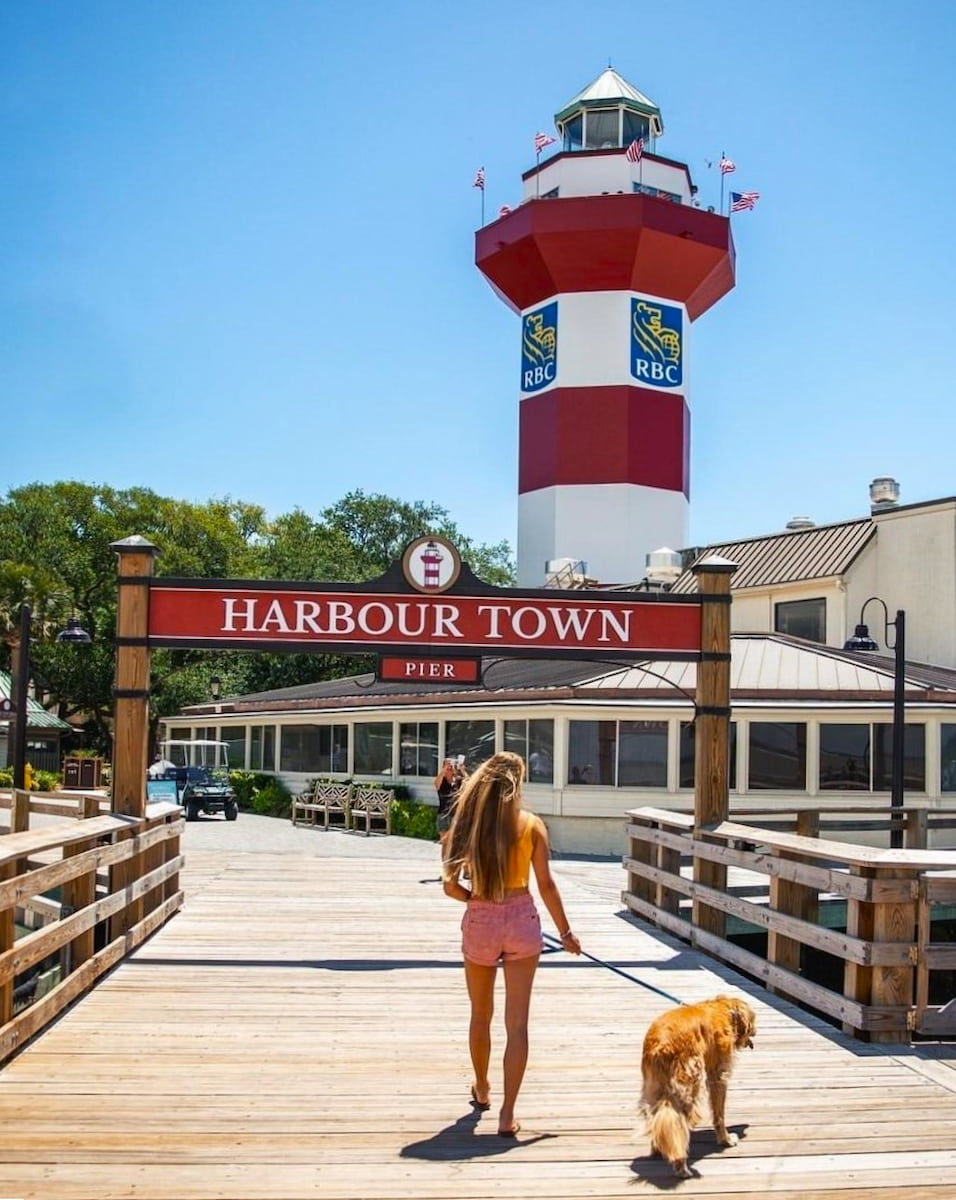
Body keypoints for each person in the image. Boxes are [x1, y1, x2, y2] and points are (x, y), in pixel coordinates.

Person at [442, 751, 581, 1137]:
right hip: (521, 917)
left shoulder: (468, 824)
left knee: (479, 1014)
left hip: (482, 915)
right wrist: (566, 934)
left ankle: (482, 1087)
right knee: (517, 1023)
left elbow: (450, 885)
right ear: (518, 784)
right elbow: (547, 886)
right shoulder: (532, 826)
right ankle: (507, 1114)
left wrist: (473, 900)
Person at [434, 757, 465, 846]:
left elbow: (470, 783)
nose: (450, 767)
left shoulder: (458, 781)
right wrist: (443, 770)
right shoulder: (441, 780)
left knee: (455, 842)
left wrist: (462, 771)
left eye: (451, 766)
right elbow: (436, 784)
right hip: (443, 814)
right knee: (445, 842)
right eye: (447, 765)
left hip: (456, 815)